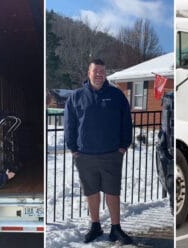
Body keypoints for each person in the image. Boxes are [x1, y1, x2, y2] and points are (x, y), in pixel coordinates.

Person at [64, 59, 133, 244]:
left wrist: (124, 146)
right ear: (89, 73)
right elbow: (69, 125)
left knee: (112, 191)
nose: (99, 74)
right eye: (96, 71)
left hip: (111, 153)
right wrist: (73, 149)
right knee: (91, 191)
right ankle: (95, 226)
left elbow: (126, 121)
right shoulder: (76, 96)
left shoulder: (116, 95)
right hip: (85, 155)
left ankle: (116, 228)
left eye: (102, 71)